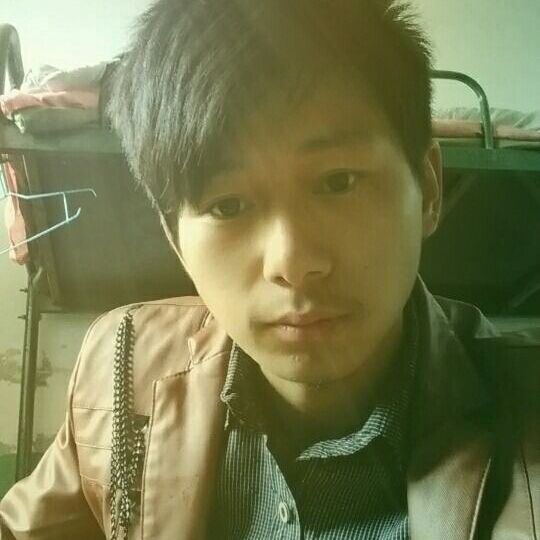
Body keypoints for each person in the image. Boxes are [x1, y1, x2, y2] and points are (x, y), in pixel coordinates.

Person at [1, 0, 539, 539]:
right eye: (228, 206)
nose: (292, 263)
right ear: (174, 238)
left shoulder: (525, 415)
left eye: (338, 182)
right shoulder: (122, 369)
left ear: (428, 188)